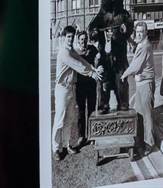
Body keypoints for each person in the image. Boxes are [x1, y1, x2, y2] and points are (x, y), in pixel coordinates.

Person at [51, 25, 102, 161]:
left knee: (69, 118)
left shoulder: (71, 49)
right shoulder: (64, 52)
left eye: (72, 37)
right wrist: (91, 73)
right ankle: (56, 148)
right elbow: (77, 65)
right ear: (64, 37)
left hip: (70, 88)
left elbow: (81, 60)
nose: (70, 39)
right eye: (68, 37)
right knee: (59, 119)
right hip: (62, 88)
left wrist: (92, 68)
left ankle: (67, 145)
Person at [121, 21, 156, 154]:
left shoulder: (145, 46)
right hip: (141, 84)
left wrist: (124, 75)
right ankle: (141, 140)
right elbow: (134, 44)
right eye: (138, 31)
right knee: (140, 114)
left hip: (146, 84)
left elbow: (135, 66)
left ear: (146, 32)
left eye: (142, 31)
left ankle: (149, 143)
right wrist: (127, 36)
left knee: (147, 115)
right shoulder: (141, 43)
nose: (139, 34)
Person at [73, 30, 98, 145]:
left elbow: (99, 59)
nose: (83, 41)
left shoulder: (92, 49)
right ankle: (81, 136)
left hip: (91, 84)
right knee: (81, 111)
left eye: (85, 39)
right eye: (81, 39)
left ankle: (92, 135)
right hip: (80, 85)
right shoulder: (75, 52)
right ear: (78, 41)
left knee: (92, 110)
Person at [95, 26, 123, 114]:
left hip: (114, 69)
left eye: (111, 32)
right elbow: (99, 58)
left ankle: (121, 103)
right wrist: (98, 65)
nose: (109, 34)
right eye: (107, 32)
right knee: (103, 85)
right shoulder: (101, 44)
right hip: (105, 70)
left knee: (119, 82)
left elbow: (119, 58)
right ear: (105, 33)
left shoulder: (116, 45)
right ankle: (104, 105)